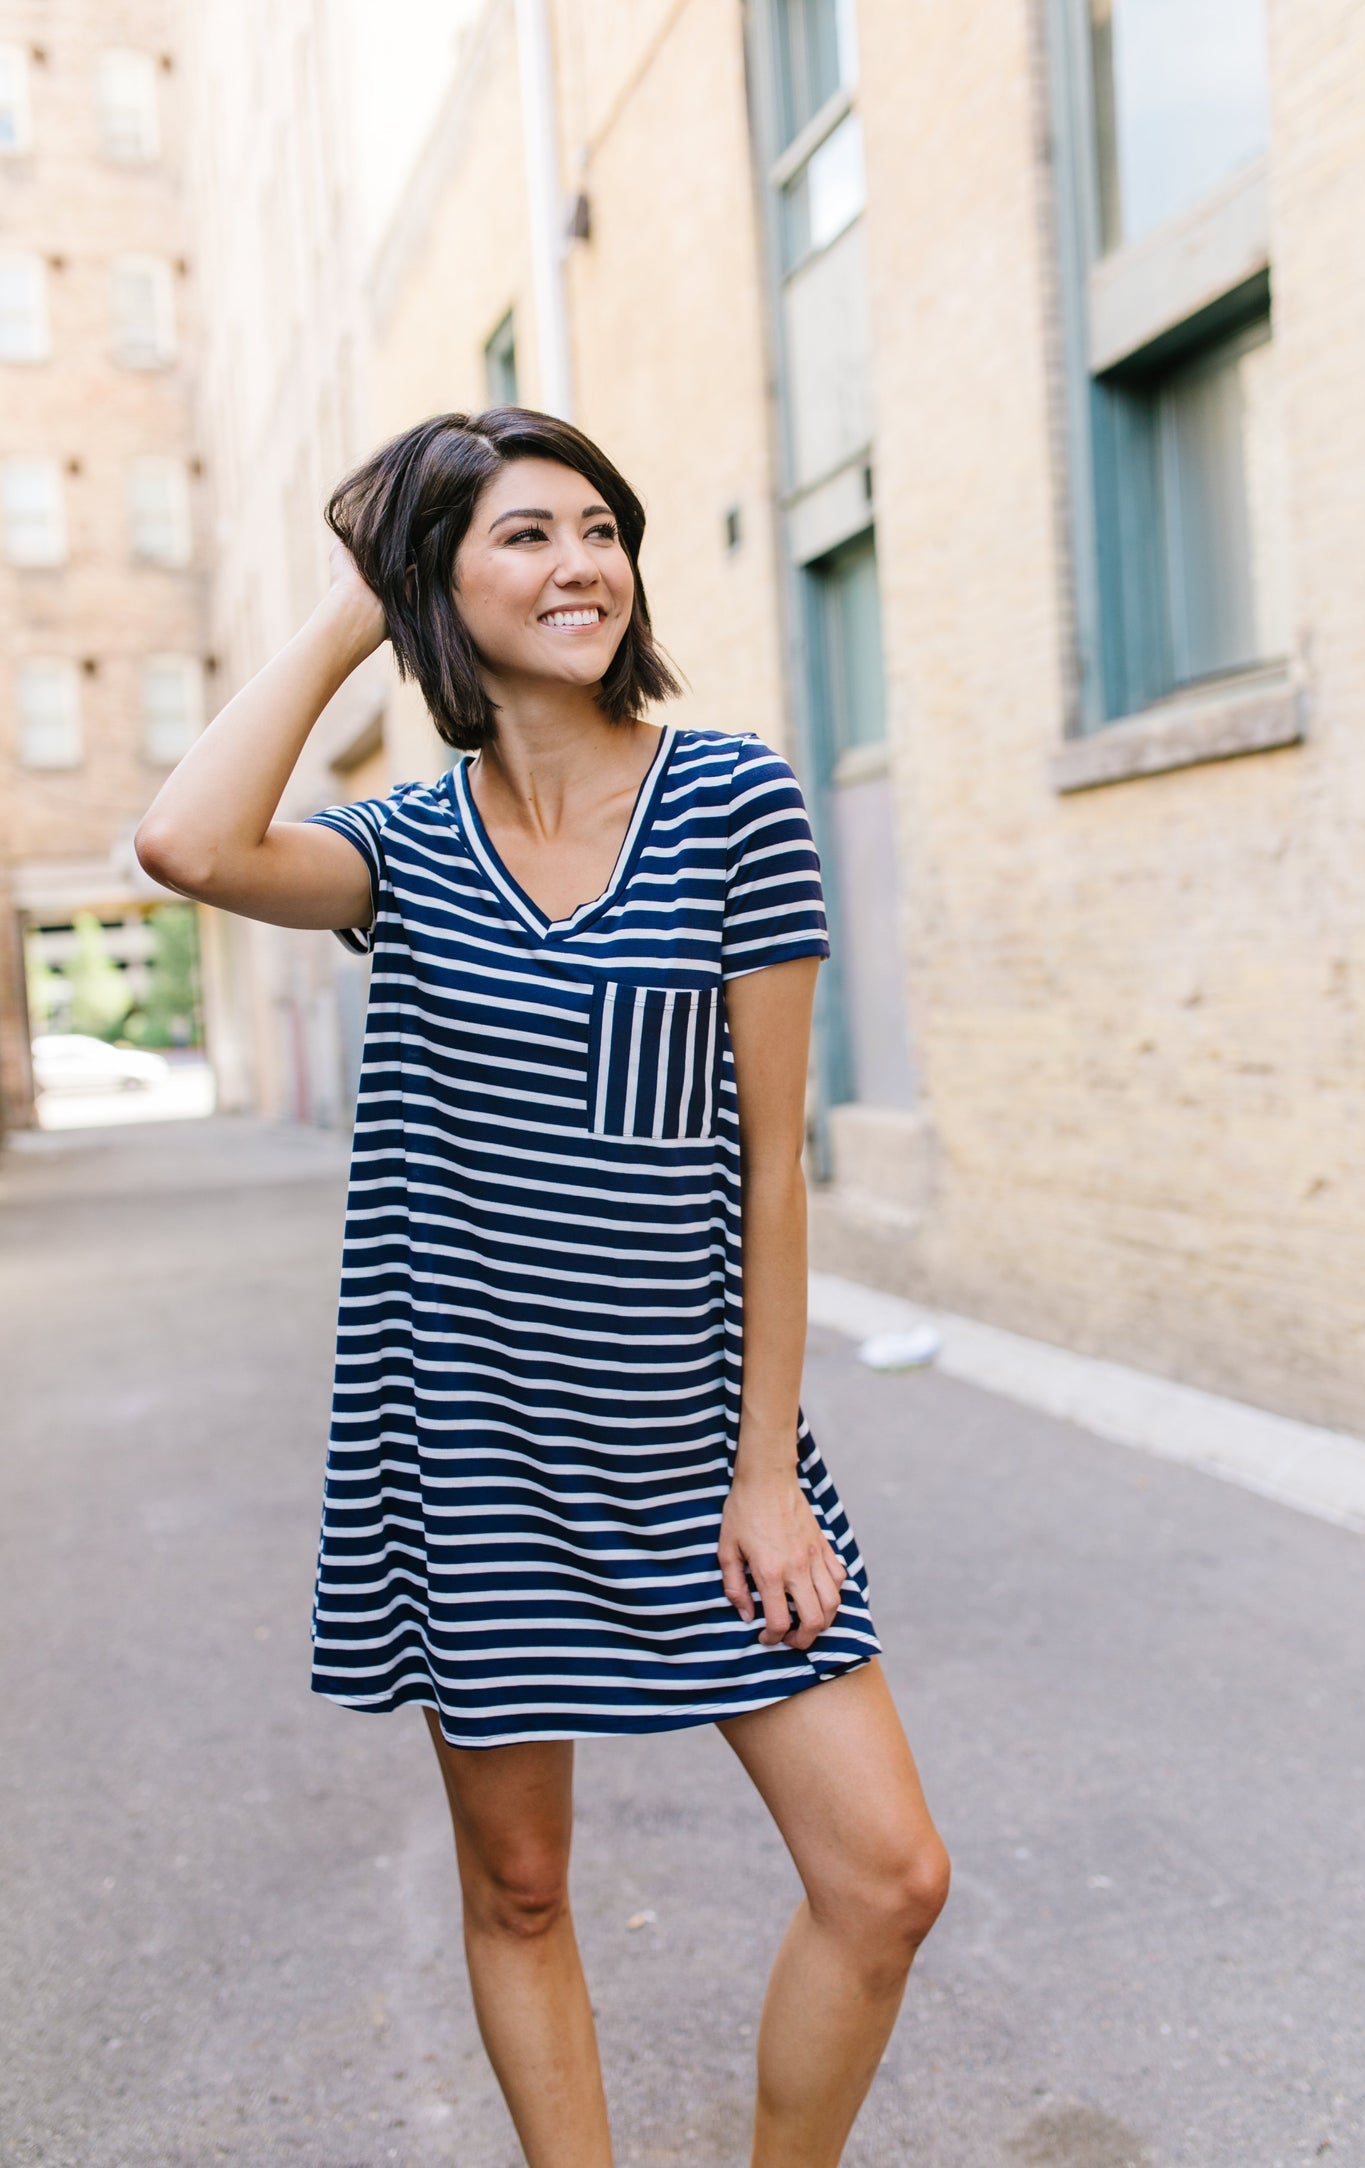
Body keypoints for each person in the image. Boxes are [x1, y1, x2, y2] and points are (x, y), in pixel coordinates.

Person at [136, 407, 949, 2168]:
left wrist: (760, 1475)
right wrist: (353, 602)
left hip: (691, 1450)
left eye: (598, 527)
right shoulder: (404, 855)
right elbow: (190, 846)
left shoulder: (731, 799)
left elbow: (767, 1165)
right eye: (521, 534)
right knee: (518, 1890)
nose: (579, 561)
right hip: (478, 1456)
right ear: (439, 582)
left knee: (885, 1877)